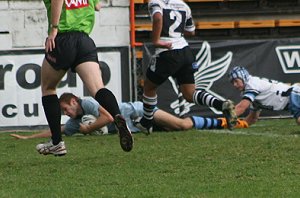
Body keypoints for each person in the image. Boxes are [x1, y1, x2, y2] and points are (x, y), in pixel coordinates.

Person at [37, 0, 133, 156]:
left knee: (48, 88)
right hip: (84, 41)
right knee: (97, 88)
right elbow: (97, 6)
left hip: (63, 38)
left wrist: (54, 29)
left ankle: (56, 143)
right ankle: (117, 116)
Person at [135, 0, 237, 134]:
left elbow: (158, 17)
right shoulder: (182, 5)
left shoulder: (156, 2)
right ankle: (222, 104)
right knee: (190, 94)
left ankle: (146, 123)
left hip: (167, 52)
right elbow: (191, 31)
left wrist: (156, 40)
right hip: (185, 52)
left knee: (149, 86)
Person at [10, 93, 248, 140]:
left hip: (141, 113)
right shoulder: (75, 119)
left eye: (65, 109)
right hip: (137, 127)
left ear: (74, 102)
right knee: (176, 130)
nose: (65, 114)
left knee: (183, 125)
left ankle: (227, 121)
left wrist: (88, 130)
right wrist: (29, 137)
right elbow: (60, 130)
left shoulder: (89, 103)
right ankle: (227, 121)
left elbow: (108, 119)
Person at [228, 66, 300, 125]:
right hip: (293, 97)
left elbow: (241, 107)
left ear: (243, 77)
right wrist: (235, 125)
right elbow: (252, 118)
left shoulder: (252, 84)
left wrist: (223, 120)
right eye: (232, 82)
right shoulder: (252, 91)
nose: (234, 85)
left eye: (236, 81)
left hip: (294, 95)